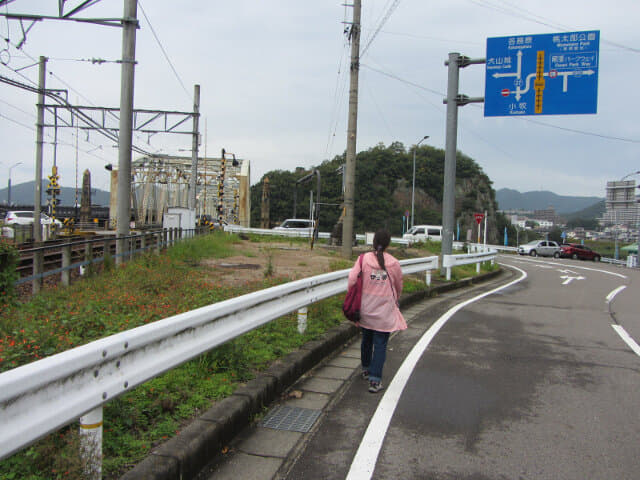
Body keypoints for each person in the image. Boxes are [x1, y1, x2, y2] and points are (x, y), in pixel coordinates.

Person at [347, 229, 406, 393]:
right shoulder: (393, 263)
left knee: (366, 339)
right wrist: (396, 299)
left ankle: (365, 369)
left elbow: (352, 280)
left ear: (373, 242)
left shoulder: (363, 259)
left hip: (365, 309)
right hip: (384, 311)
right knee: (380, 344)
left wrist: (353, 296)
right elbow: (399, 285)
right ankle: (375, 381)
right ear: (388, 244)